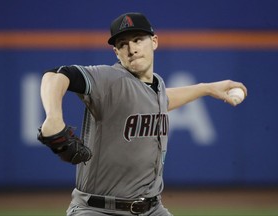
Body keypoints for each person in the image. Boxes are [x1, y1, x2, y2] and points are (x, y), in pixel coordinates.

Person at [37, 12, 247, 216]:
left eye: (138, 40)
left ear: (154, 41)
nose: (132, 49)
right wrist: (54, 117)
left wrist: (207, 88)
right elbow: (56, 74)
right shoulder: (110, 78)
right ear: (116, 53)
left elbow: (162, 100)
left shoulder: (156, 86)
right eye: (122, 44)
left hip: (152, 209)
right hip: (98, 209)